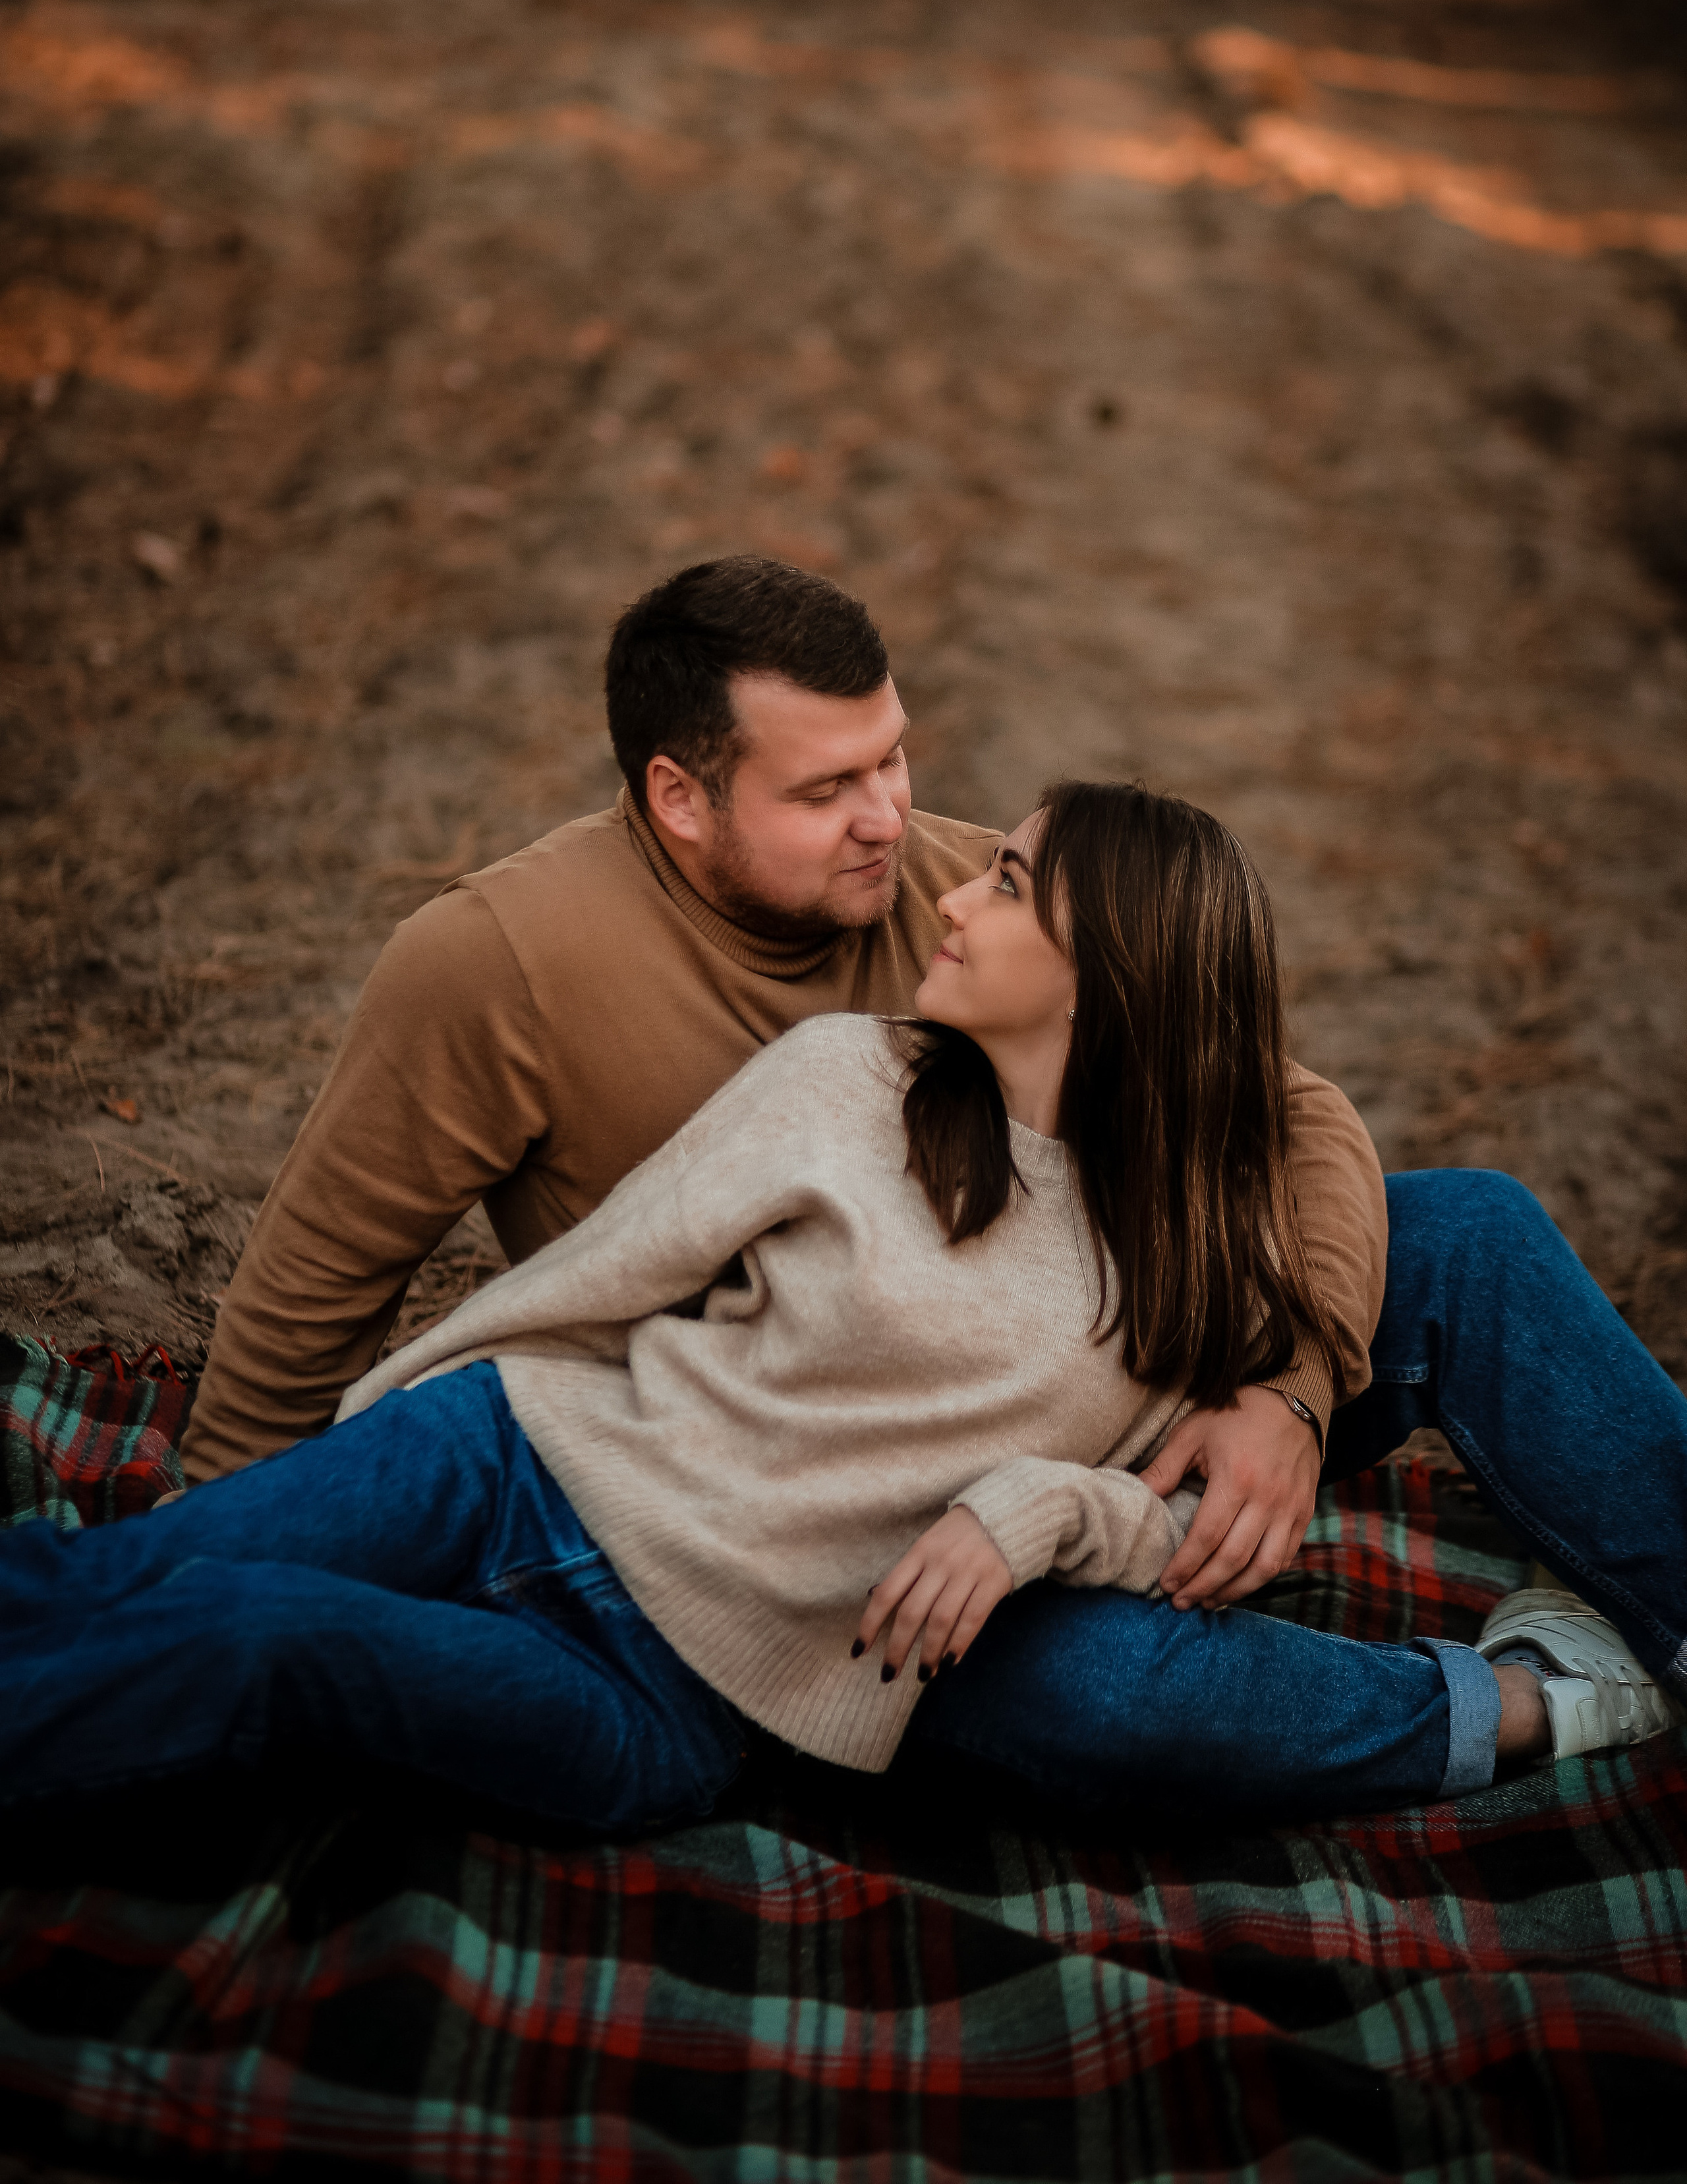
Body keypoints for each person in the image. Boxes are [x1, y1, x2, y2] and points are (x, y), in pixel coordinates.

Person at [163, 556, 1685, 1811]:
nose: (890, 820)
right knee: (1067, 1683)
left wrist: (1286, 1390)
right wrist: (217, 1554)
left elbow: (1291, 1114)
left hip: (1108, 1375)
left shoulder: (950, 888)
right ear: (681, 798)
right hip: (815, 1510)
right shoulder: (495, 965)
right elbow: (311, 1290)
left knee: (1467, 1235)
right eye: (827, 786)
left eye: (893, 756)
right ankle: (1499, 1712)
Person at [0, 787, 1369, 1818]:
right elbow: (590, 1284)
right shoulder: (848, 1075)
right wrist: (366, 1448)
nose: (949, 899)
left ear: (1108, 976)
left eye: (1007, 887)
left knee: (258, 1642)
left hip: (666, 1698)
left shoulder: (1183, 1259)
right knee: (127, 1573)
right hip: (511, 1460)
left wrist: (1036, 1513)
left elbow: (1193, 1526)